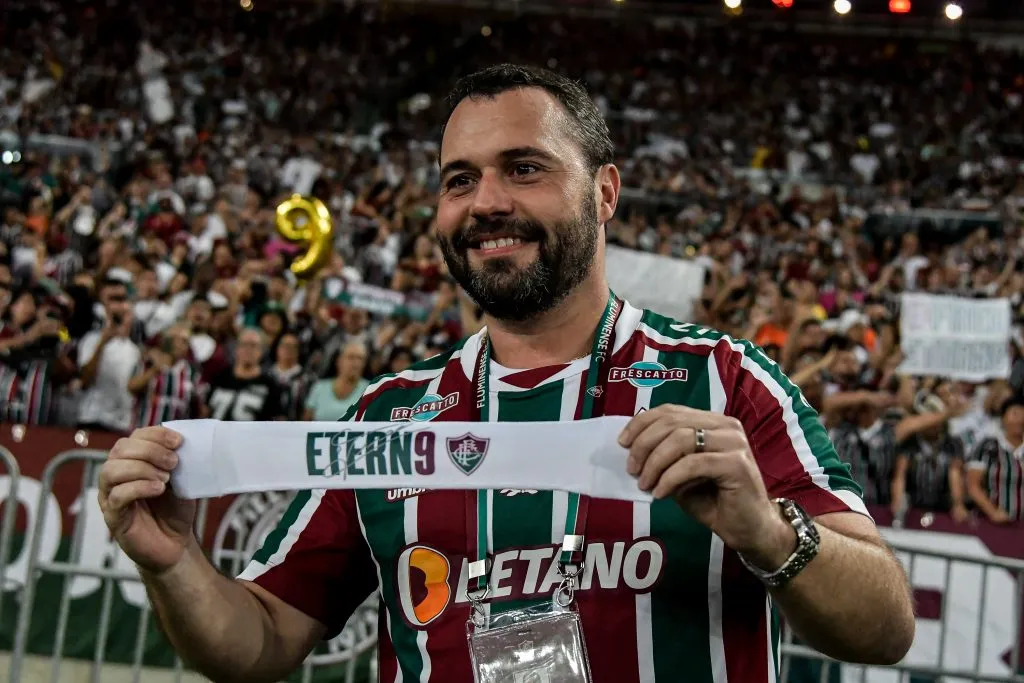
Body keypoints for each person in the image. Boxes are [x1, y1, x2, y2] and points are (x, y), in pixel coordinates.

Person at [98, 64, 914, 683]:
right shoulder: (388, 417)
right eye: (461, 179)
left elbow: (885, 626)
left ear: (604, 192)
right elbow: (263, 637)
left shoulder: (725, 381)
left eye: (524, 167)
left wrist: (769, 532)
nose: (486, 200)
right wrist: (173, 563)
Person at [77, 278, 141, 433]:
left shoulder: (136, 351)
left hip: (122, 423)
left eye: (125, 314)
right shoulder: (91, 340)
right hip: (92, 417)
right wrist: (103, 342)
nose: (122, 320)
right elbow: (85, 380)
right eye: (116, 316)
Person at [203, 327, 286, 422]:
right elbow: (204, 412)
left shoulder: (271, 385)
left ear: (262, 351)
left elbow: (279, 422)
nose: (248, 349)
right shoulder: (219, 377)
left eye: (253, 345)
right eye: (244, 344)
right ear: (236, 348)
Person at [302, 340, 369, 421]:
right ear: (339, 361)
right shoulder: (319, 387)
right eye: (351, 357)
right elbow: (305, 423)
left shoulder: (372, 389)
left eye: (360, 359)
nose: (356, 363)